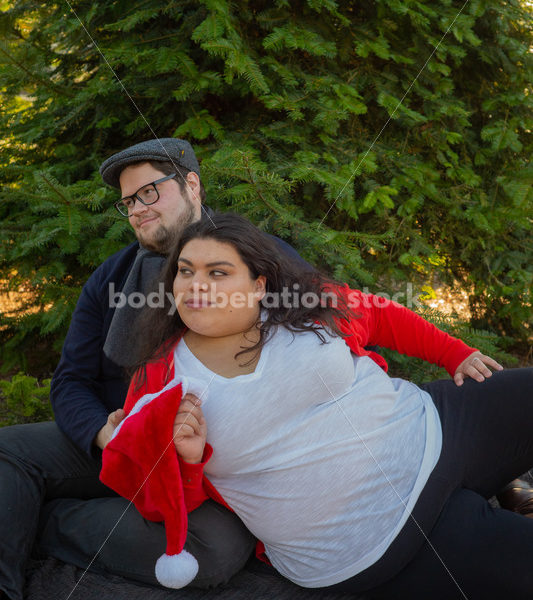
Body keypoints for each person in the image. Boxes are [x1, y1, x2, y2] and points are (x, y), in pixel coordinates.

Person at [103, 212, 533, 600]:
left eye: (218, 272)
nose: (196, 285)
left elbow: (379, 315)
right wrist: (189, 460)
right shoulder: (159, 381)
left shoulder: (301, 308)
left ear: (258, 285)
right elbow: (158, 500)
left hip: (436, 425)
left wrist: (454, 353)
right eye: (185, 271)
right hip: (376, 537)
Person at [0, 138, 308, 600]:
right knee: (9, 451)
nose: (137, 209)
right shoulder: (111, 276)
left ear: (192, 185)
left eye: (149, 192)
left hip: (216, 460)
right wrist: (105, 436)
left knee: (212, 552)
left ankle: (48, 520)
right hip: (123, 437)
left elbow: (326, 335)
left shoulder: (261, 259)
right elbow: (71, 380)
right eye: (128, 201)